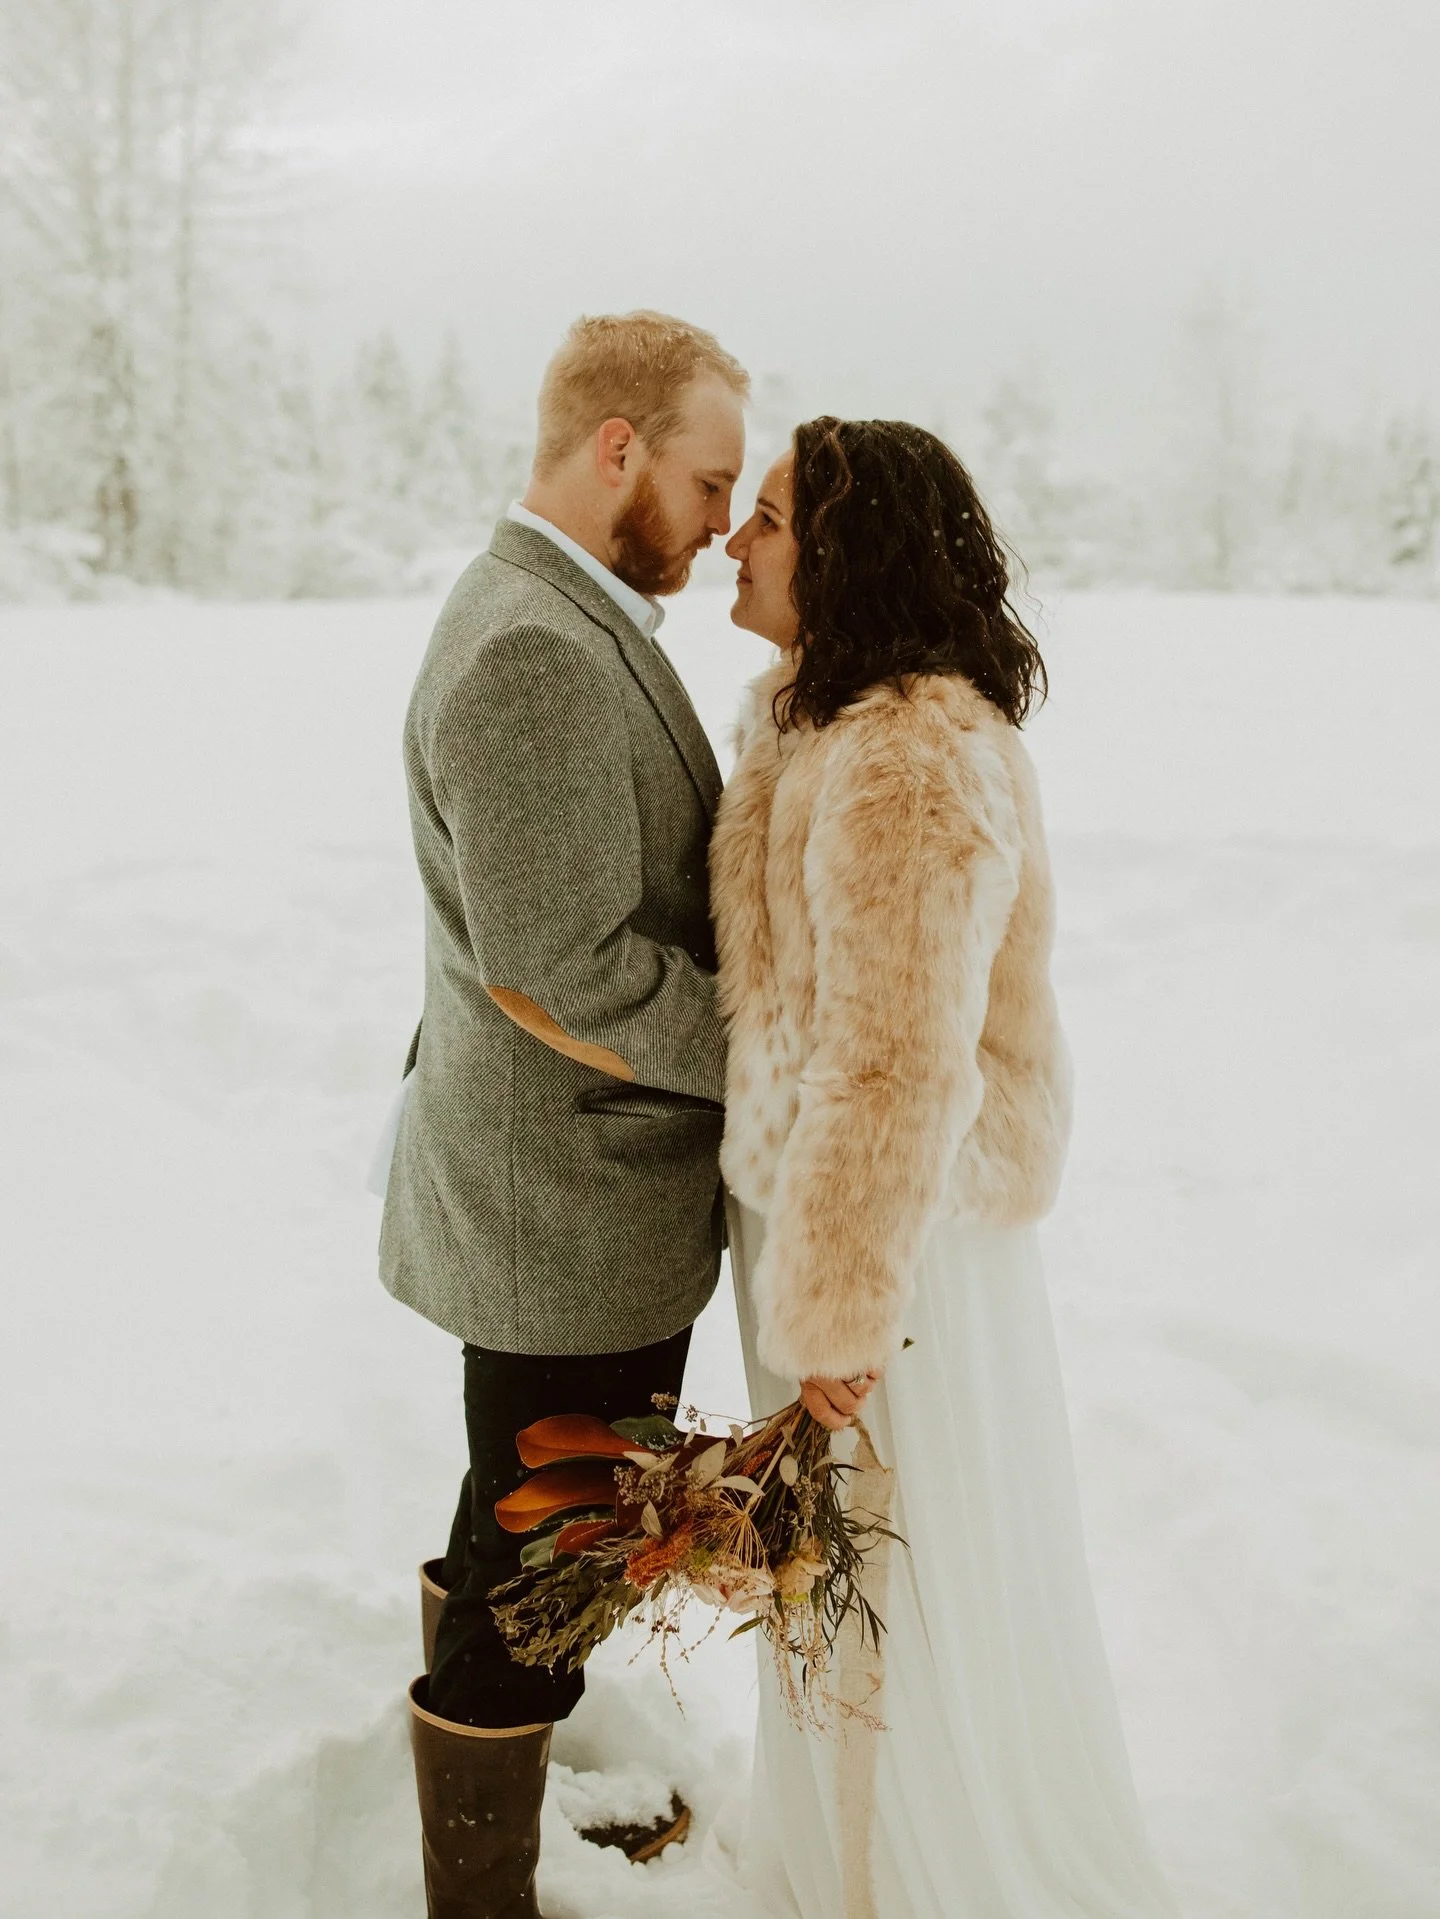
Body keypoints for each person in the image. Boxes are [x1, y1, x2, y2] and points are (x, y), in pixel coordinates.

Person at [712, 418, 1179, 1918]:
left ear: (841, 556)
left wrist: (841, 1310)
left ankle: (907, 1885)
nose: (737, 538)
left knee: (897, 1589)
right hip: (824, 1225)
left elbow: (900, 1055)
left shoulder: (908, 752)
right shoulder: (819, 729)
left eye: (769, 517)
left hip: (889, 1243)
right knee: (834, 1586)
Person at [377, 310, 748, 1918]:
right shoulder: (534, 643)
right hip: (563, 1201)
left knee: (527, 1519)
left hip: (568, 1189)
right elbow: (555, 968)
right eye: (711, 476)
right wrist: (774, 1050)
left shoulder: (575, 611)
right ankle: (481, 1888)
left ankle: (506, 1764)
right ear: (619, 449)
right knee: (547, 1554)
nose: (727, 518)